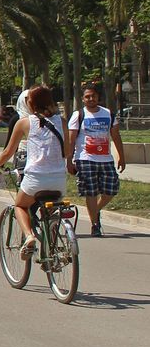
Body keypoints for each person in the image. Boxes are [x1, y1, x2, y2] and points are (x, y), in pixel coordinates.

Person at [0, 85, 74, 259]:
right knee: (52, 212)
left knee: (20, 206)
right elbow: (67, 152)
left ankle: (29, 237)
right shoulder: (62, 121)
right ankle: (54, 249)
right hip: (58, 179)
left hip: (35, 179)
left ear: (31, 104)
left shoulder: (24, 123)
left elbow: (8, 152)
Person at [66, 86, 126, 236]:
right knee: (91, 192)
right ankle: (95, 225)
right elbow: (71, 140)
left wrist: (121, 156)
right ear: (82, 99)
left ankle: (95, 211)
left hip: (106, 159)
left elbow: (116, 136)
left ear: (98, 97)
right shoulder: (78, 115)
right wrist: (69, 160)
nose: (91, 99)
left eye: (93, 96)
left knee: (111, 189)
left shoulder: (108, 114)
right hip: (85, 158)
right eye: (87, 97)